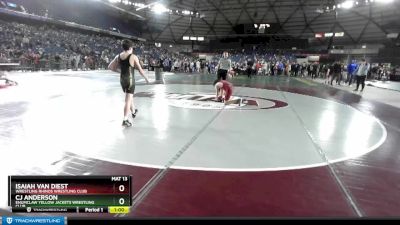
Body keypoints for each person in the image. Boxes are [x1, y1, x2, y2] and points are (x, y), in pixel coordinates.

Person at [116, 39, 150, 127]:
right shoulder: (133, 56)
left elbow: (110, 67)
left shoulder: (118, 56)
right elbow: (140, 70)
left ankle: (134, 111)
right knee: (127, 100)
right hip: (130, 80)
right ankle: (125, 119)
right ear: (131, 47)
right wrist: (146, 78)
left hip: (122, 80)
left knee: (129, 96)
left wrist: (120, 72)